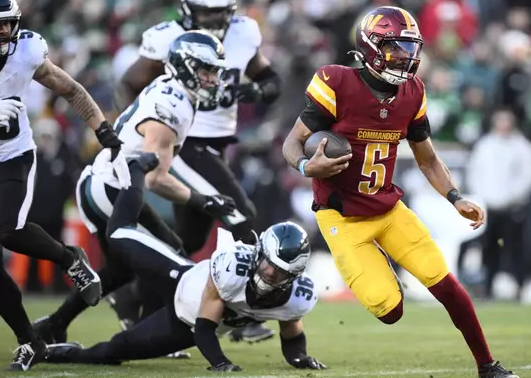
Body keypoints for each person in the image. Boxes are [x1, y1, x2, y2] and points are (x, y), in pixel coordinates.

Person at [281, 6, 518, 378]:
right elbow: (292, 144)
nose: (406, 57)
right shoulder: (336, 81)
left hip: (389, 210)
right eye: (396, 48)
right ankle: (382, 269)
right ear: (371, 46)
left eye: (410, 48)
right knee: (390, 311)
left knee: (447, 286)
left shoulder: (413, 92)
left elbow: (428, 160)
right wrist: (306, 167)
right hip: (342, 217)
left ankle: (488, 366)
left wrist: (456, 198)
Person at [31, 30, 236, 357]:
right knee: (166, 256)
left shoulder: (177, 94)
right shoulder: (173, 105)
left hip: (114, 184)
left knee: (134, 265)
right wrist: (202, 199)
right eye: (206, 70)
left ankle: (56, 323)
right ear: (185, 67)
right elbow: (156, 178)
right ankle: (149, 333)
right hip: (112, 189)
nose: (213, 79)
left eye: (214, 71)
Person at [44, 155, 325, 372]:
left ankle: (59, 353)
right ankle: (136, 172)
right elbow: (206, 326)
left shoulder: (296, 298)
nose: (269, 273)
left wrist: (300, 358)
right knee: (118, 235)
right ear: (258, 253)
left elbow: (291, 334)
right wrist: (221, 363)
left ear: (294, 276)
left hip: (184, 324)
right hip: (180, 277)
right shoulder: (233, 269)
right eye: (267, 264)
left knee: (116, 350)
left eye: (280, 273)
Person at [0, 0, 130, 371]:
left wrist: (103, 130)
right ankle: (31, 341)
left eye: (9, 24)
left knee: (7, 229)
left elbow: (72, 90)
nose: (4, 33)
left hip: (12, 157)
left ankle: (69, 259)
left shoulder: (25, 52)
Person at [113, 0, 279, 343]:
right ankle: (246, 316)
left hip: (215, 147)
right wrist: (141, 132)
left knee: (187, 240)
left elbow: (270, 80)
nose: (217, 20)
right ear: (188, 11)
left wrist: (258, 91)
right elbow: (129, 82)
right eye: (209, 13)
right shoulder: (169, 39)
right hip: (186, 144)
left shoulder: (244, 32)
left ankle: (133, 296)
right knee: (240, 216)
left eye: (222, 12)